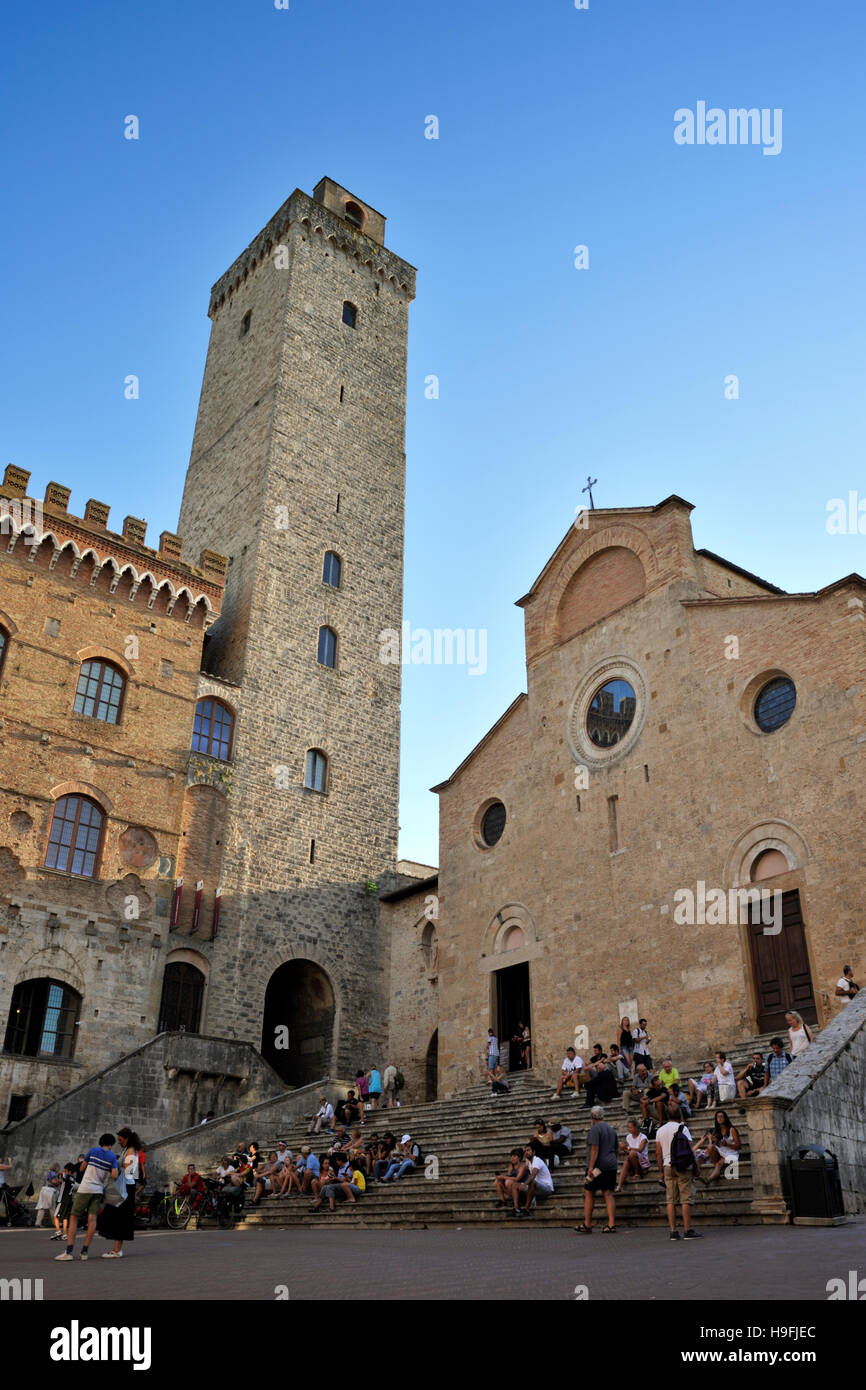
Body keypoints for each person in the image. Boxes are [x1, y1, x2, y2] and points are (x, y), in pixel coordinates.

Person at [55, 1132, 118, 1262]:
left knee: (73, 1217)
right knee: (92, 1220)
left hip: (85, 1188)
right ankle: (84, 1252)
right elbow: (115, 1176)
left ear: (101, 1141)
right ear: (111, 1145)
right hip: (98, 1190)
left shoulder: (94, 1150)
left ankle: (69, 1251)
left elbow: (82, 1168)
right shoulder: (112, 1157)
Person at [655, 1104, 701, 1240]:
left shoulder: (660, 1130)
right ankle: (687, 1230)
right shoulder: (683, 1128)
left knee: (670, 1200)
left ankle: (673, 1231)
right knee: (685, 1198)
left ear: (667, 1115)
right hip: (682, 1166)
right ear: (679, 1115)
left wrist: (661, 1172)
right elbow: (689, 1150)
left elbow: (658, 1153)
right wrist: (695, 1166)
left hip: (667, 1165)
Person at [575, 1105, 617, 1233]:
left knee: (589, 1193)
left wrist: (591, 1167)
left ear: (592, 1117)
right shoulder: (611, 1129)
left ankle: (587, 1224)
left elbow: (594, 1148)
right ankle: (611, 1224)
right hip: (611, 1164)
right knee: (608, 1193)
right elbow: (616, 1149)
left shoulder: (594, 1129)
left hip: (598, 1166)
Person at [694, 1110, 741, 1182]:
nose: (719, 1118)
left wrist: (727, 1144)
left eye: (721, 1116)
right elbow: (713, 1144)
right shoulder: (716, 1130)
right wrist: (712, 1139)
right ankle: (716, 1171)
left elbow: (739, 1146)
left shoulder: (732, 1130)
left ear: (725, 1118)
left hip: (731, 1153)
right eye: (718, 1117)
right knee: (710, 1147)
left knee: (719, 1164)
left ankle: (709, 1179)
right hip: (721, 1152)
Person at [509, 1141, 553, 1217]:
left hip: (546, 1188)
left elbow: (533, 1175)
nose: (526, 1152)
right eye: (525, 1151)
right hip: (535, 1188)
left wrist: (525, 1184)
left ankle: (526, 1209)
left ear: (533, 1152)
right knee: (514, 1185)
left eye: (528, 1150)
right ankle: (516, 1208)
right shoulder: (529, 1162)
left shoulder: (537, 1160)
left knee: (532, 1182)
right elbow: (520, 1174)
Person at [616, 1117, 650, 1192]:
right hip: (632, 1158)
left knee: (632, 1154)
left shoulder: (643, 1137)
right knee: (626, 1162)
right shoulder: (628, 1137)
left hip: (642, 1160)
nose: (629, 1129)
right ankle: (619, 1186)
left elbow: (640, 1150)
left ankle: (637, 1173)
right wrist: (623, 1148)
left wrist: (627, 1148)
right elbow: (628, 1152)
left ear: (636, 1127)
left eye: (630, 1127)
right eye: (628, 1127)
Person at [50, 1163, 77, 1242]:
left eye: (65, 1170)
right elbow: (62, 1183)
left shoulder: (67, 1176)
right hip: (69, 1200)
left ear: (68, 1171)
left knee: (55, 1216)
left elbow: (61, 1174)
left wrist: (58, 1174)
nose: (64, 1171)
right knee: (65, 1218)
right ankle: (64, 1234)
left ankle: (58, 1231)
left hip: (62, 1200)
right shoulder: (73, 1178)